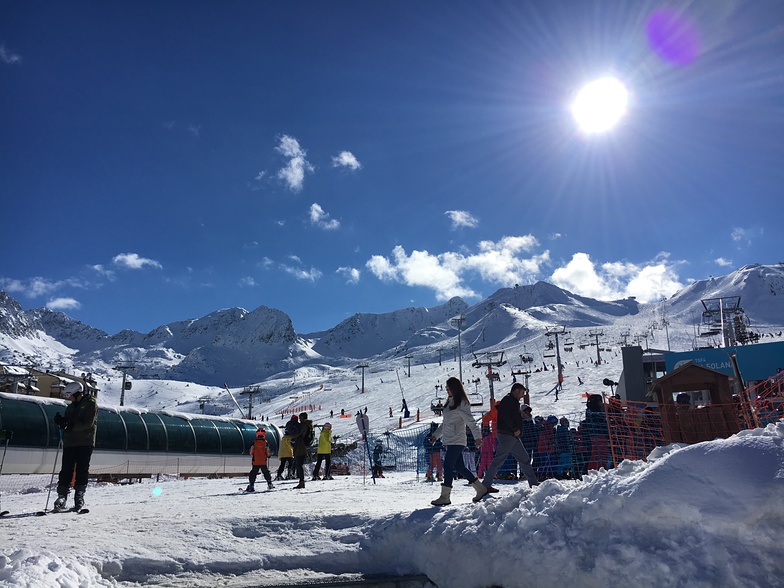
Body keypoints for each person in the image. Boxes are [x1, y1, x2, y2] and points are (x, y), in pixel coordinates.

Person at [429, 376, 485, 506]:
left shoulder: (462, 403)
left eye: (449, 389)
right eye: (447, 389)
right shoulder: (449, 403)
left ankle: (445, 496)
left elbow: (470, 422)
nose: (447, 391)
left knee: (448, 465)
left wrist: (478, 437)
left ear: (455, 388)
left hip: (457, 439)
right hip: (450, 440)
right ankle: (480, 488)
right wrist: (435, 435)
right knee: (459, 466)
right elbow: (445, 423)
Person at [478, 382, 539, 500]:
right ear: (516, 391)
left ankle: (534, 483)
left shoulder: (510, 401)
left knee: (523, 459)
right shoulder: (509, 401)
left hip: (509, 435)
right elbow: (506, 417)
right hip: (508, 434)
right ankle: (485, 485)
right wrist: (515, 429)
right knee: (505, 460)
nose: (522, 396)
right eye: (522, 393)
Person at [53, 382, 98, 511]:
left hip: (85, 441)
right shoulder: (71, 407)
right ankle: (62, 496)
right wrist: (62, 421)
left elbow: (88, 423)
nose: (69, 398)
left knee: (82, 469)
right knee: (66, 469)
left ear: (77, 393)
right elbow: (68, 421)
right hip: (70, 442)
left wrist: (70, 425)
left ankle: (79, 495)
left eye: (70, 395)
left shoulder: (90, 404)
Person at [291, 412, 313, 489]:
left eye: (300, 418)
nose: (299, 420)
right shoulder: (308, 425)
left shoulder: (303, 425)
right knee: (299, 464)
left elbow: (298, 434)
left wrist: (292, 434)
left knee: (299, 464)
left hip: (300, 446)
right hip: (303, 446)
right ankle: (301, 481)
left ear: (303, 418)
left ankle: (301, 482)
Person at [275, 415, 299, 480]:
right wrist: (294, 448)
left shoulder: (283, 438)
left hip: (282, 453)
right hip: (288, 453)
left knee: (282, 464)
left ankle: (279, 475)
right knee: (290, 464)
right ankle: (289, 474)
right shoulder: (290, 438)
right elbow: (290, 445)